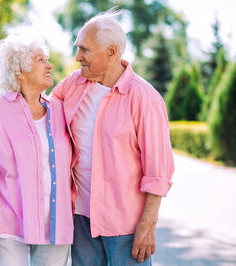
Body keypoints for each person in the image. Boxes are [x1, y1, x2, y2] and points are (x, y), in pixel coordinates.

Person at [52, 8, 175, 265]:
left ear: (111, 52)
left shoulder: (144, 98)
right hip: (81, 219)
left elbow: (158, 172)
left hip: (126, 226)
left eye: (85, 50)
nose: (77, 57)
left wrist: (148, 225)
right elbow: (41, 116)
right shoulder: (72, 86)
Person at [0, 34, 73, 266]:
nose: (50, 65)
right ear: (19, 71)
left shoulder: (61, 111)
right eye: (40, 60)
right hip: (9, 224)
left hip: (56, 225)